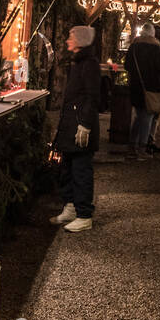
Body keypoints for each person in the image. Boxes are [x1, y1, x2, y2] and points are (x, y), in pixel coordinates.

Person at [49, 26, 101, 232]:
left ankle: (84, 214)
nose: (67, 39)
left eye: (71, 36)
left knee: (81, 170)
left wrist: (85, 125)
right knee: (68, 168)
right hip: (72, 123)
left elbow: (92, 96)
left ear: (80, 40)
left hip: (79, 124)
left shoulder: (89, 64)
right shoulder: (79, 62)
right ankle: (71, 206)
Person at [123, 23, 160, 162]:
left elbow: (127, 65)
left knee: (139, 116)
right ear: (152, 34)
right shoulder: (156, 48)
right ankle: (142, 149)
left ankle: (132, 146)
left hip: (136, 87)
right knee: (147, 117)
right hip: (151, 87)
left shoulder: (133, 46)